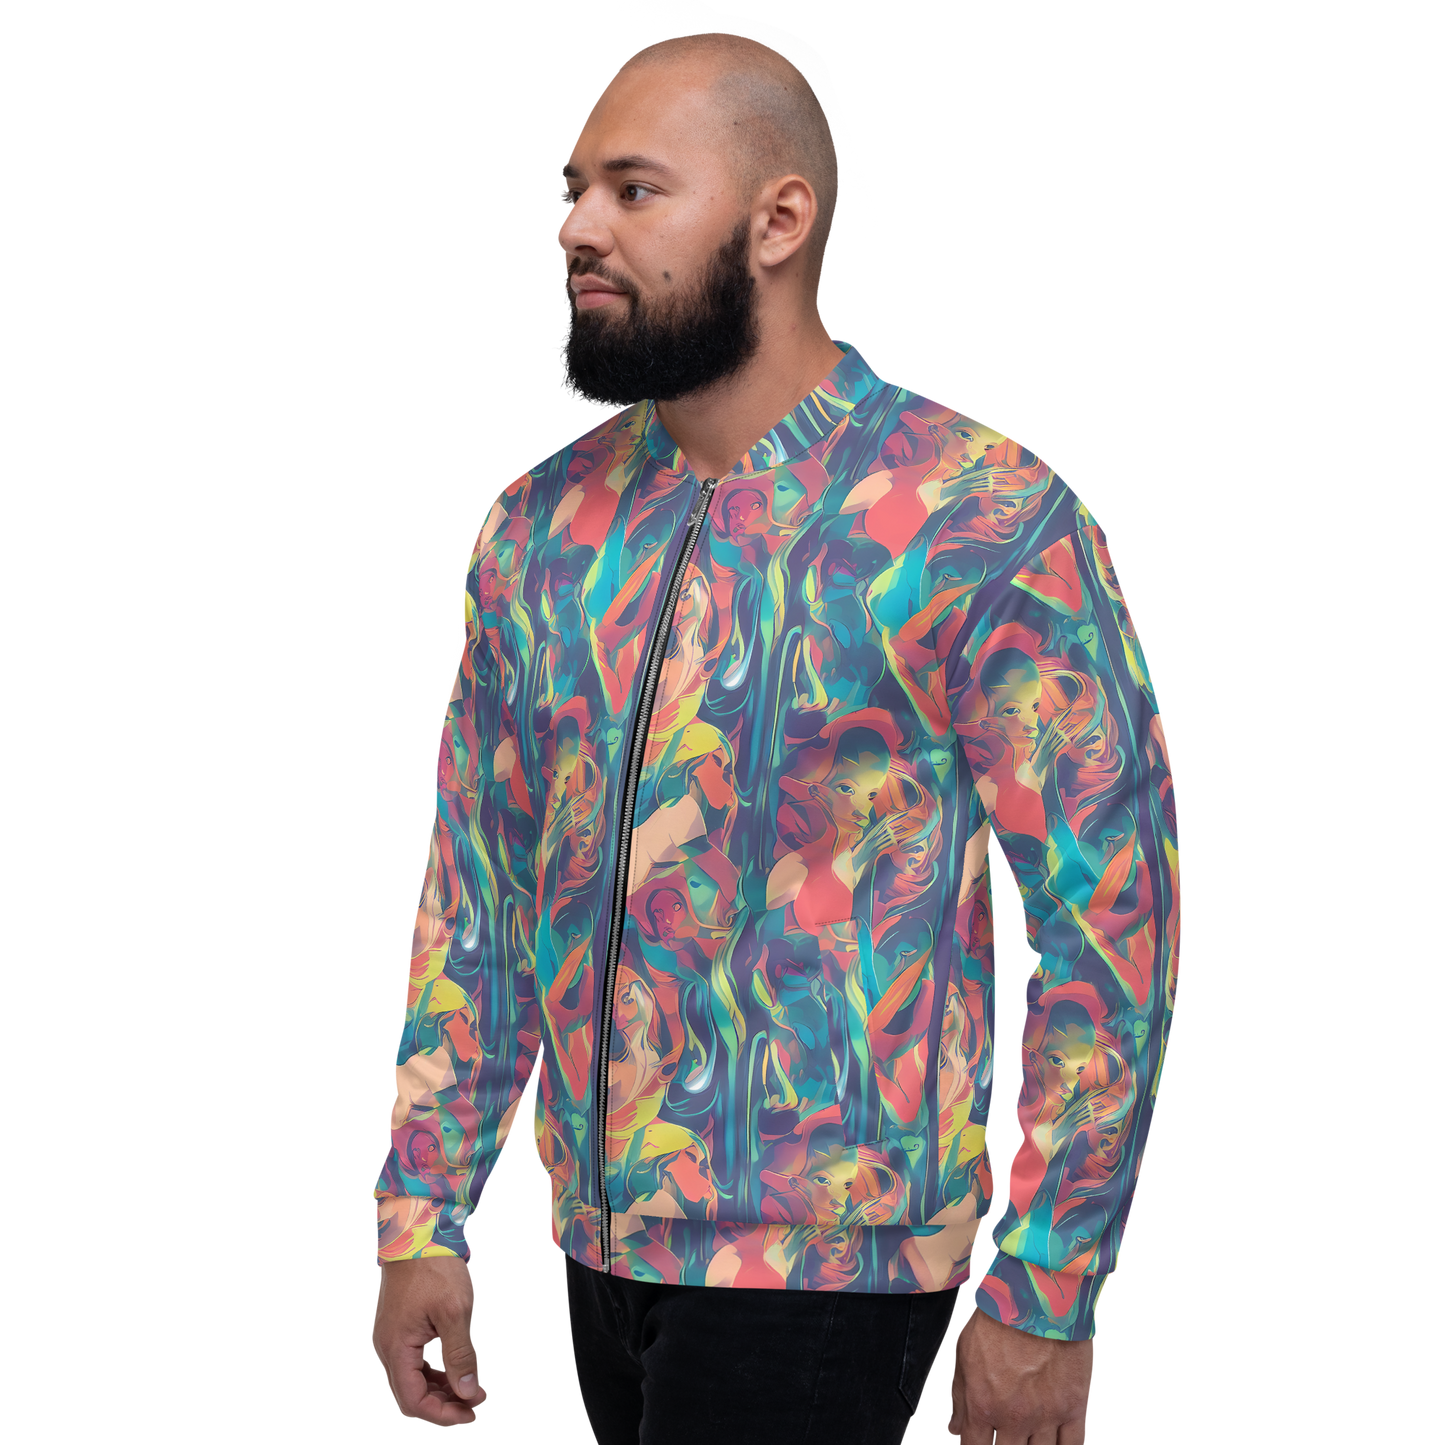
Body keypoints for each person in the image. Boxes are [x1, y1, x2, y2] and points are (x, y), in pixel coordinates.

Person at [369, 20, 1179, 1444]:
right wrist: (422, 1214)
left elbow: (1112, 919)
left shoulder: (981, 515)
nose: (578, 229)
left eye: (634, 190)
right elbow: (478, 888)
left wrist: (1051, 1285)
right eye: (573, 192)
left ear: (781, 221)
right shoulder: (538, 525)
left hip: (836, 1271)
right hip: (593, 1249)